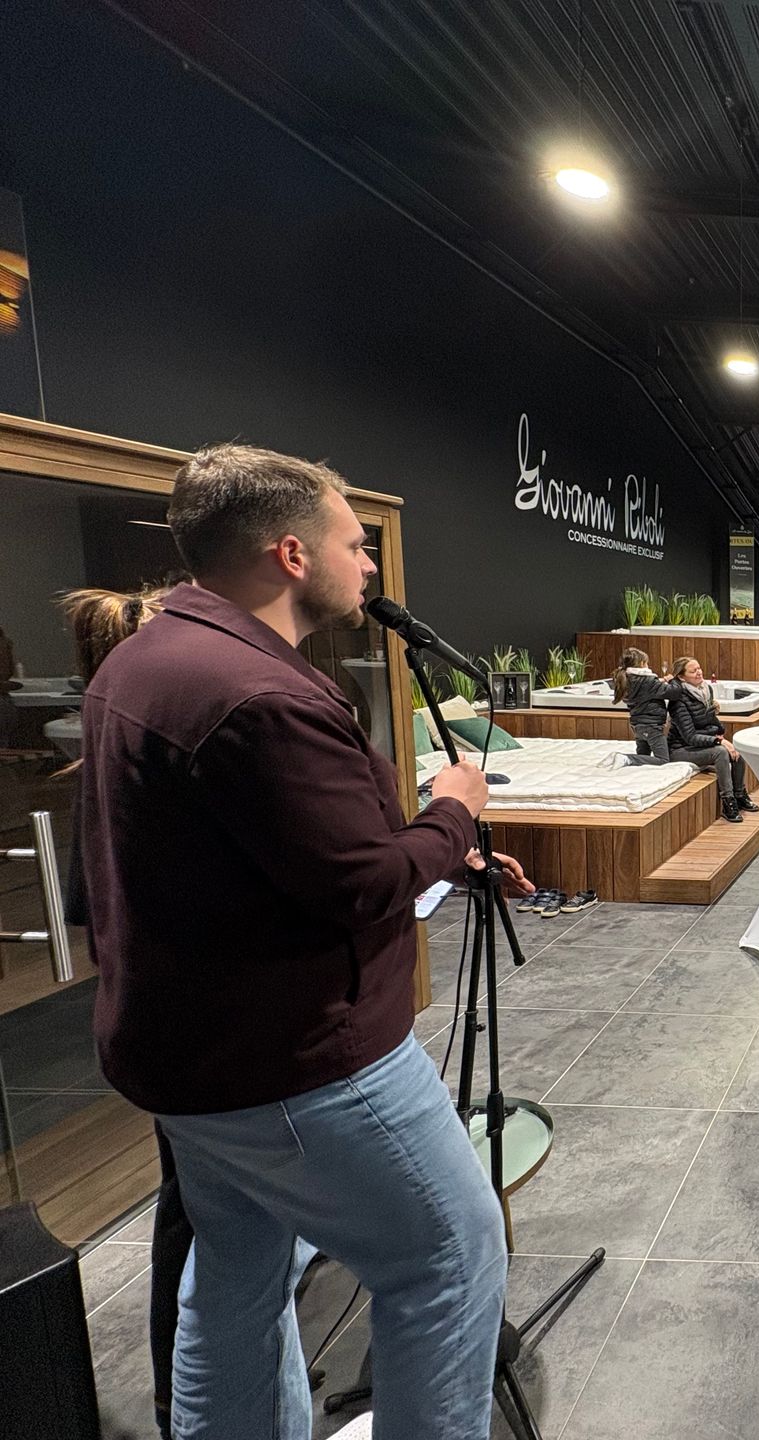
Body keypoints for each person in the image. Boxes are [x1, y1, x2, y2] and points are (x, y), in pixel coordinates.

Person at [82, 443, 528, 1439]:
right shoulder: (261, 696)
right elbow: (361, 883)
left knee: (235, 1274)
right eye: (355, 546)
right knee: (449, 1260)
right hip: (304, 1069)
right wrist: (453, 815)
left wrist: (440, 858)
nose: (369, 567)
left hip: (193, 1068)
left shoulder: (145, 661)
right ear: (292, 554)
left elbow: (269, 857)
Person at [62, 587, 196, 1438]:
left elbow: (89, 913)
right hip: (190, 1033)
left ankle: (178, 1391)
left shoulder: (107, 758)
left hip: (157, 1025)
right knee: (194, 1214)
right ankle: (183, 1393)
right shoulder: (144, 763)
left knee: (192, 1206)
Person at [668, 655, 756, 821]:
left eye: (699, 668)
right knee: (720, 752)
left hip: (699, 744)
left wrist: (719, 731)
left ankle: (740, 795)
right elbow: (690, 737)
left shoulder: (705, 690)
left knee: (736, 752)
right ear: (681, 676)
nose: (699, 673)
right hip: (680, 749)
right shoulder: (678, 700)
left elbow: (709, 719)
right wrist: (719, 741)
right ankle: (727, 802)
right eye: (693, 671)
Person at [611, 647, 672, 762]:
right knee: (663, 760)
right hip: (651, 726)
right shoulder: (647, 681)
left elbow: (645, 690)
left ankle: (629, 761)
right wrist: (673, 681)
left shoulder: (626, 679)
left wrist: (660, 682)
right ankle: (626, 758)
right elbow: (672, 692)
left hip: (637, 724)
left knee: (644, 758)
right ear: (642, 663)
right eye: (647, 663)